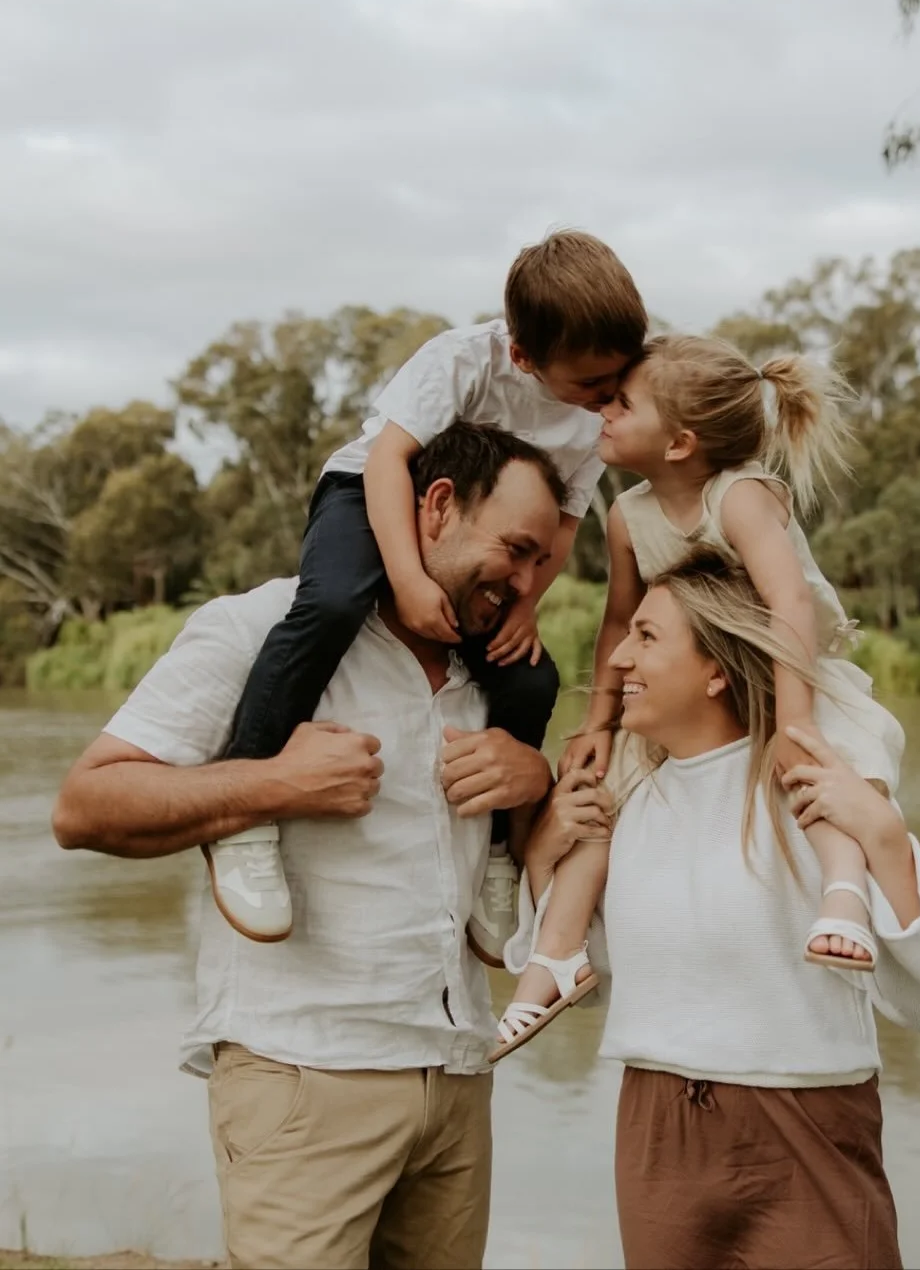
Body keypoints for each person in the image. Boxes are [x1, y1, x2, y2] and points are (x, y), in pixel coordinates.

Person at [51, 422, 566, 1270]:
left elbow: (533, 873)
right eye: (514, 551)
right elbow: (84, 806)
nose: (526, 583)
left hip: (458, 1076)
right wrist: (272, 784)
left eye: (542, 562)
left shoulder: (501, 669)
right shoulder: (263, 628)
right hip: (304, 1079)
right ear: (437, 507)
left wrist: (534, 781)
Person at [514, 551, 920, 1269]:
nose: (619, 659)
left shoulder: (814, 785)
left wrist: (883, 835)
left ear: (716, 671)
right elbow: (591, 977)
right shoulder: (631, 805)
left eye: (647, 637)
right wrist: (544, 856)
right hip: (657, 1136)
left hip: (803, 1132)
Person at [204, 228, 647, 951]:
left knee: (530, 676)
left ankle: (498, 849)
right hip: (373, 491)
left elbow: (564, 525)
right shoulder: (462, 360)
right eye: (593, 385)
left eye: (618, 381)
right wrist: (407, 578)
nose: (608, 399)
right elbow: (389, 462)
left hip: (483, 537)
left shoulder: (593, 416)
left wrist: (526, 604)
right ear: (523, 356)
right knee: (335, 603)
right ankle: (244, 808)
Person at [493, 332, 907, 1054]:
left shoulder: (739, 497)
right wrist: (598, 723)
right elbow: (619, 621)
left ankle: (844, 894)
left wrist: (795, 719)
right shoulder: (627, 517)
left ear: (680, 443)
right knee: (603, 794)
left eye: (623, 402)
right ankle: (554, 957)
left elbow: (788, 602)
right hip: (700, 681)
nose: (604, 410)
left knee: (829, 767)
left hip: (788, 667)